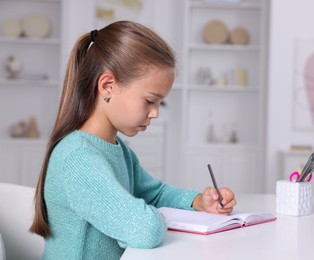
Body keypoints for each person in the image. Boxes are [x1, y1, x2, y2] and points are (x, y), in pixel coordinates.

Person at [29, 20, 236, 259]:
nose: (155, 113)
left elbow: (154, 194)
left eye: (160, 103)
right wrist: (149, 215)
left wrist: (200, 202)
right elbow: (144, 230)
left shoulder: (118, 150)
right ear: (107, 86)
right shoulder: (78, 158)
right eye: (150, 101)